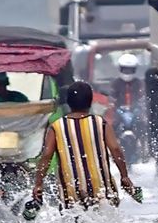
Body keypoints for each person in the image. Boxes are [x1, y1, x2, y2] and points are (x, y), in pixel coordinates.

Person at [30, 81, 138, 211]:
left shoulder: (57, 127)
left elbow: (46, 156)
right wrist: (124, 176)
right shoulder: (100, 123)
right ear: (90, 101)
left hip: (71, 191)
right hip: (102, 187)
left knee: (74, 221)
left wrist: (38, 184)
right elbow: (115, 149)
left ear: (68, 102)